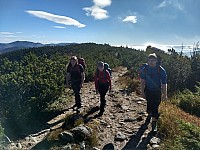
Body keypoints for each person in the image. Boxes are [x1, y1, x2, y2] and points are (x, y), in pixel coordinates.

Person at [140, 53, 167, 132]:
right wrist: (142, 92)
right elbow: (142, 81)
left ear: (156, 61)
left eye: (153, 60)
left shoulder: (160, 70)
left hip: (157, 91)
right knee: (149, 103)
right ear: (147, 61)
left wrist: (165, 94)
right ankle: (149, 114)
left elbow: (164, 83)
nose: (152, 62)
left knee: (155, 106)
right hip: (148, 90)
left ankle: (154, 123)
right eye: (150, 60)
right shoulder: (144, 69)